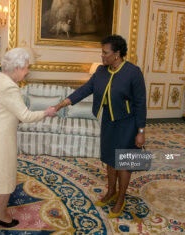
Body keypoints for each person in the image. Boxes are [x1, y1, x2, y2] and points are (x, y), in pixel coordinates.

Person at [53, 35, 146, 218]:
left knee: (124, 163)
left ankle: (121, 197)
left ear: (117, 54)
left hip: (127, 123)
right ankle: (111, 191)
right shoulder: (101, 71)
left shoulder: (133, 72)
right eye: (102, 52)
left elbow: (141, 102)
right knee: (109, 159)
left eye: (105, 52)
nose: (102, 56)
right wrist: (62, 103)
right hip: (108, 122)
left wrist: (141, 131)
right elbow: (85, 89)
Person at [0, 48, 56, 228]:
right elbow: (26, 116)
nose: (27, 71)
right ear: (18, 67)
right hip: (1, 138)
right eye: (26, 67)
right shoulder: (9, 87)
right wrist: (46, 112)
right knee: (4, 173)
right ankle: (1, 215)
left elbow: (0, 108)